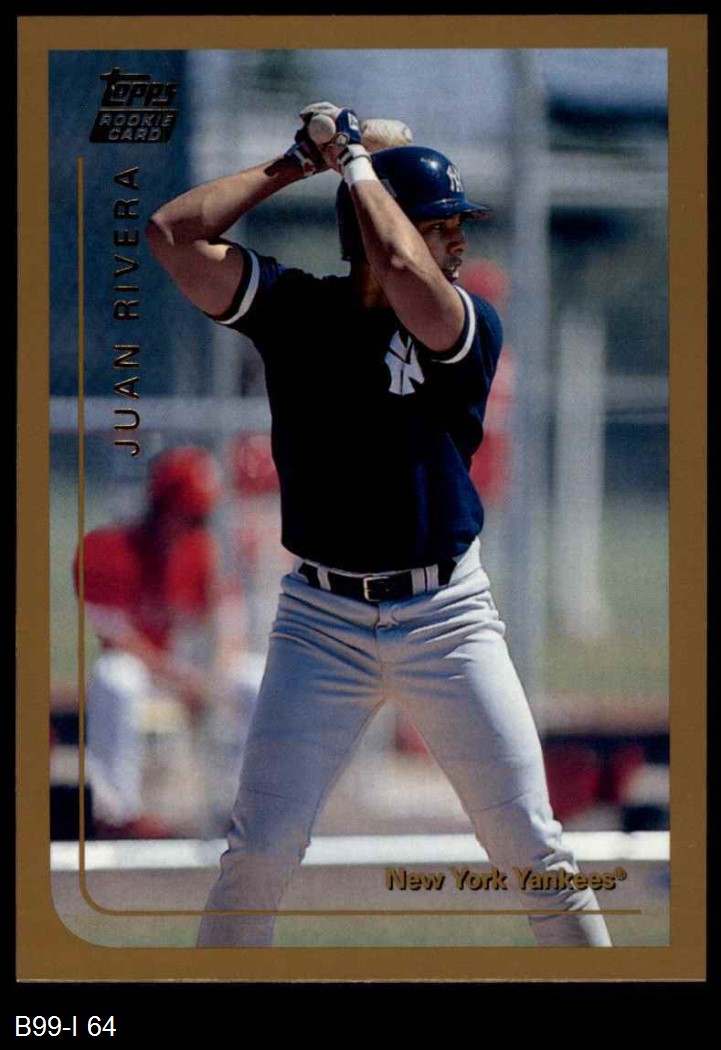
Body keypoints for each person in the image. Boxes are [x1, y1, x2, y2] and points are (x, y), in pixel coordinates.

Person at [146, 102, 612, 947]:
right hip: (319, 620)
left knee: (532, 849)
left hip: (445, 617)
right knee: (257, 854)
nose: (457, 242)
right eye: (442, 224)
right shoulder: (297, 307)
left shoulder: (465, 321)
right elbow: (172, 235)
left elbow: (400, 264)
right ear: (370, 223)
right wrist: (296, 162)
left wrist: (354, 159)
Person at [73, 445, 259, 838]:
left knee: (255, 679)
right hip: (151, 672)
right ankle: (117, 814)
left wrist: (214, 674)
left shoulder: (202, 551)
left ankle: (248, 811)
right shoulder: (108, 549)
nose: (196, 526)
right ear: (160, 507)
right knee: (114, 678)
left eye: (202, 517)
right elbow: (117, 641)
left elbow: (229, 626)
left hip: (189, 671)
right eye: (189, 515)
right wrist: (183, 679)